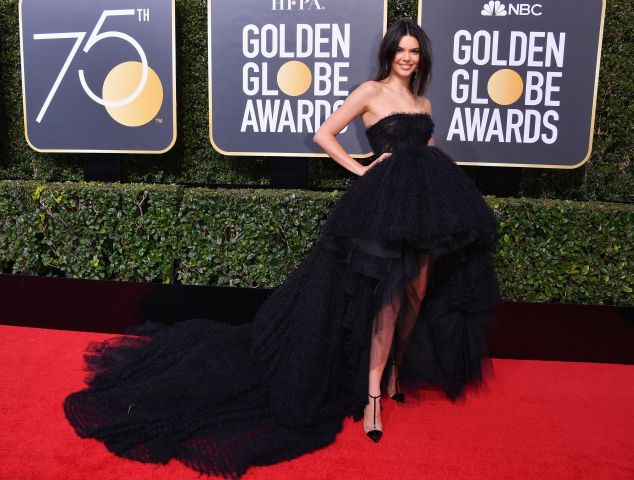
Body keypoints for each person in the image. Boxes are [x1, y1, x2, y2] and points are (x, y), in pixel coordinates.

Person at [64, 20, 501, 479]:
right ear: (390, 53)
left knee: (417, 291)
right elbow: (324, 134)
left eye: (415, 51)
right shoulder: (370, 92)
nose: (408, 58)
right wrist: (363, 169)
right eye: (402, 50)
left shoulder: (423, 101)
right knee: (388, 299)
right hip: (384, 208)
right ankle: (373, 392)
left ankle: (393, 371)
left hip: (424, 210)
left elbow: (425, 148)